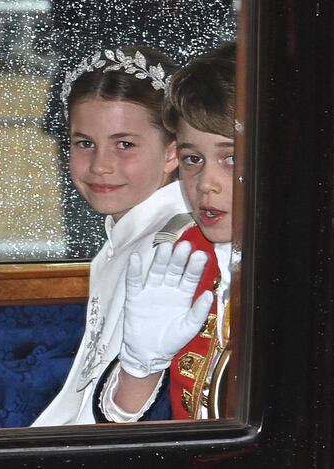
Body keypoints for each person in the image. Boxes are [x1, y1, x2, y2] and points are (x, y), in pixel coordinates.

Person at [32, 46, 187, 425]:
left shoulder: (168, 246)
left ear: (172, 153)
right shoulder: (127, 235)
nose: (100, 165)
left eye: (125, 145)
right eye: (84, 143)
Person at [95, 43, 237, 421]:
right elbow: (119, 427)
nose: (206, 183)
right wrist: (141, 365)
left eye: (232, 158)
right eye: (193, 159)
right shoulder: (182, 253)